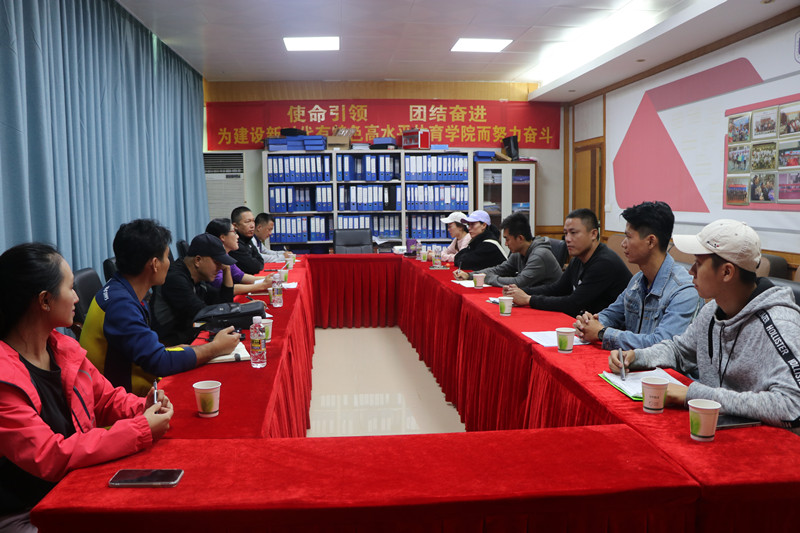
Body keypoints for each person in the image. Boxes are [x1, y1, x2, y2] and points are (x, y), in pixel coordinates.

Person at [0, 243, 173, 530]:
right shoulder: (4, 379)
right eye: (70, 288)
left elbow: (105, 400)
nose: (77, 297)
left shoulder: (64, 349)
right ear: (45, 300)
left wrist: (144, 405)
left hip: (77, 483)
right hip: (27, 511)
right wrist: (140, 428)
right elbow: (49, 455)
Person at [609, 219, 800, 430]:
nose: (691, 271)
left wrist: (693, 394)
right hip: (712, 429)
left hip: (762, 444)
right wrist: (638, 357)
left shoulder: (780, 325)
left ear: (727, 272)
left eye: (698, 264)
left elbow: (793, 406)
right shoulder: (712, 310)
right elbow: (680, 351)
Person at [81, 220, 239, 396]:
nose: (170, 263)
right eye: (167, 257)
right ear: (155, 264)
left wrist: (187, 350)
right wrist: (216, 348)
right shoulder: (121, 306)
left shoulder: (118, 289)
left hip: (133, 386)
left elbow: (149, 352)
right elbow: (158, 362)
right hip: (120, 403)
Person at [574, 202, 701, 350]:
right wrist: (589, 323)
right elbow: (612, 314)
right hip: (632, 362)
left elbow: (661, 345)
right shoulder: (637, 280)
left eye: (628, 237)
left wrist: (602, 333)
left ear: (651, 241)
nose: (623, 244)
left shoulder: (684, 290)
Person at [505, 208, 631, 316]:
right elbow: (557, 289)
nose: (568, 239)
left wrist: (529, 299)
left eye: (573, 233)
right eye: (566, 233)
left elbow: (573, 304)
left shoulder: (604, 263)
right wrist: (520, 291)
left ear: (593, 234)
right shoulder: (578, 259)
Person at [151, 233, 237, 346]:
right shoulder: (175, 279)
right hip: (169, 344)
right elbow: (203, 314)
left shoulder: (197, 278)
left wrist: (227, 270)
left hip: (188, 334)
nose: (220, 267)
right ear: (198, 260)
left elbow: (224, 303)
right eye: (217, 262)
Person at [454, 212, 561, 289]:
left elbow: (519, 282)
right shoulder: (518, 253)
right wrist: (470, 275)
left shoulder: (539, 255)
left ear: (520, 238)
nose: (505, 244)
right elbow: (500, 269)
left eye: (507, 239)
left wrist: (487, 278)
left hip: (551, 305)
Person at [206, 218, 268, 295]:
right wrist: (262, 285)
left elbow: (241, 276)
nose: (237, 236)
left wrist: (269, 279)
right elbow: (225, 289)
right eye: (234, 232)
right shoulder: (213, 259)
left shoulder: (226, 255)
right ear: (223, 237)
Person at [228, 206, 265, 274]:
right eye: (247, 222)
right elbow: (254, 267)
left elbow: (261, 261)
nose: (252, 226)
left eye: (253, 221)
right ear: (235, 226)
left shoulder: (247, 238)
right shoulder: (235, 244)